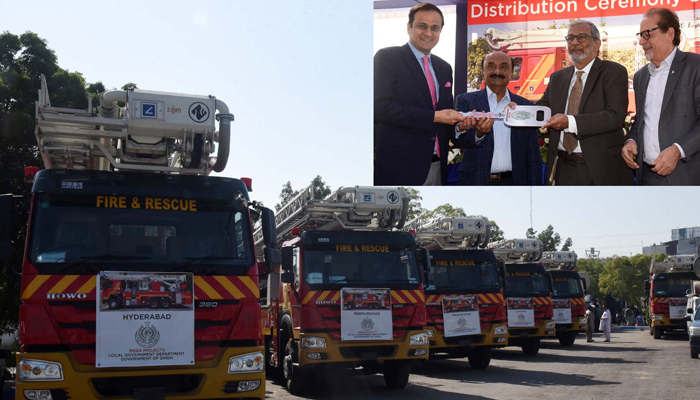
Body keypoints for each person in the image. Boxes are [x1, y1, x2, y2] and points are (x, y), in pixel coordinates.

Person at [374, 3, 465, 186]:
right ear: (409, 27)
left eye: (435, 28)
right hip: (399, 168)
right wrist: (434, 116)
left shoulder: (444, 68)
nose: (428, 33)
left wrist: (460, 127)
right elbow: (380, 108)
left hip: (438, 168)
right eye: (422, 26)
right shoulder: (387, 58)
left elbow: (444, 116)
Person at [536, 20, 633, 185]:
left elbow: (615, 116)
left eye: (581, 37)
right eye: (570, 38)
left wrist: (570, 122)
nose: (574, 43)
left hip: (601, 170)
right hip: (562, 167)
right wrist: (518, 111)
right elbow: (542, 108)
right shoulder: (558, 77)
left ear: (597, 44)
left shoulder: (613, 72)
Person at [622, 8, 700, 185]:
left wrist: (678, 150)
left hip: (687, 177)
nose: (641, 41)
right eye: (640, 35)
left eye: (647, 34)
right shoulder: (640, 77)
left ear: (669, 34)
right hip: (647, 177)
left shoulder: (696, 67)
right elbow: (641, 122)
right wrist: (631, 141)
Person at [453, 51, 543, 185]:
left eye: (504, 67)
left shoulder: (525, 106)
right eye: (491, 66)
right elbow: (456, 139)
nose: (497, 71)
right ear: (483, 72)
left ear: (512, 73)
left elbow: (533, 154)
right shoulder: (466, 101)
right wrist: (478, 134)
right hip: (474, 182)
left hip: (515, 183)